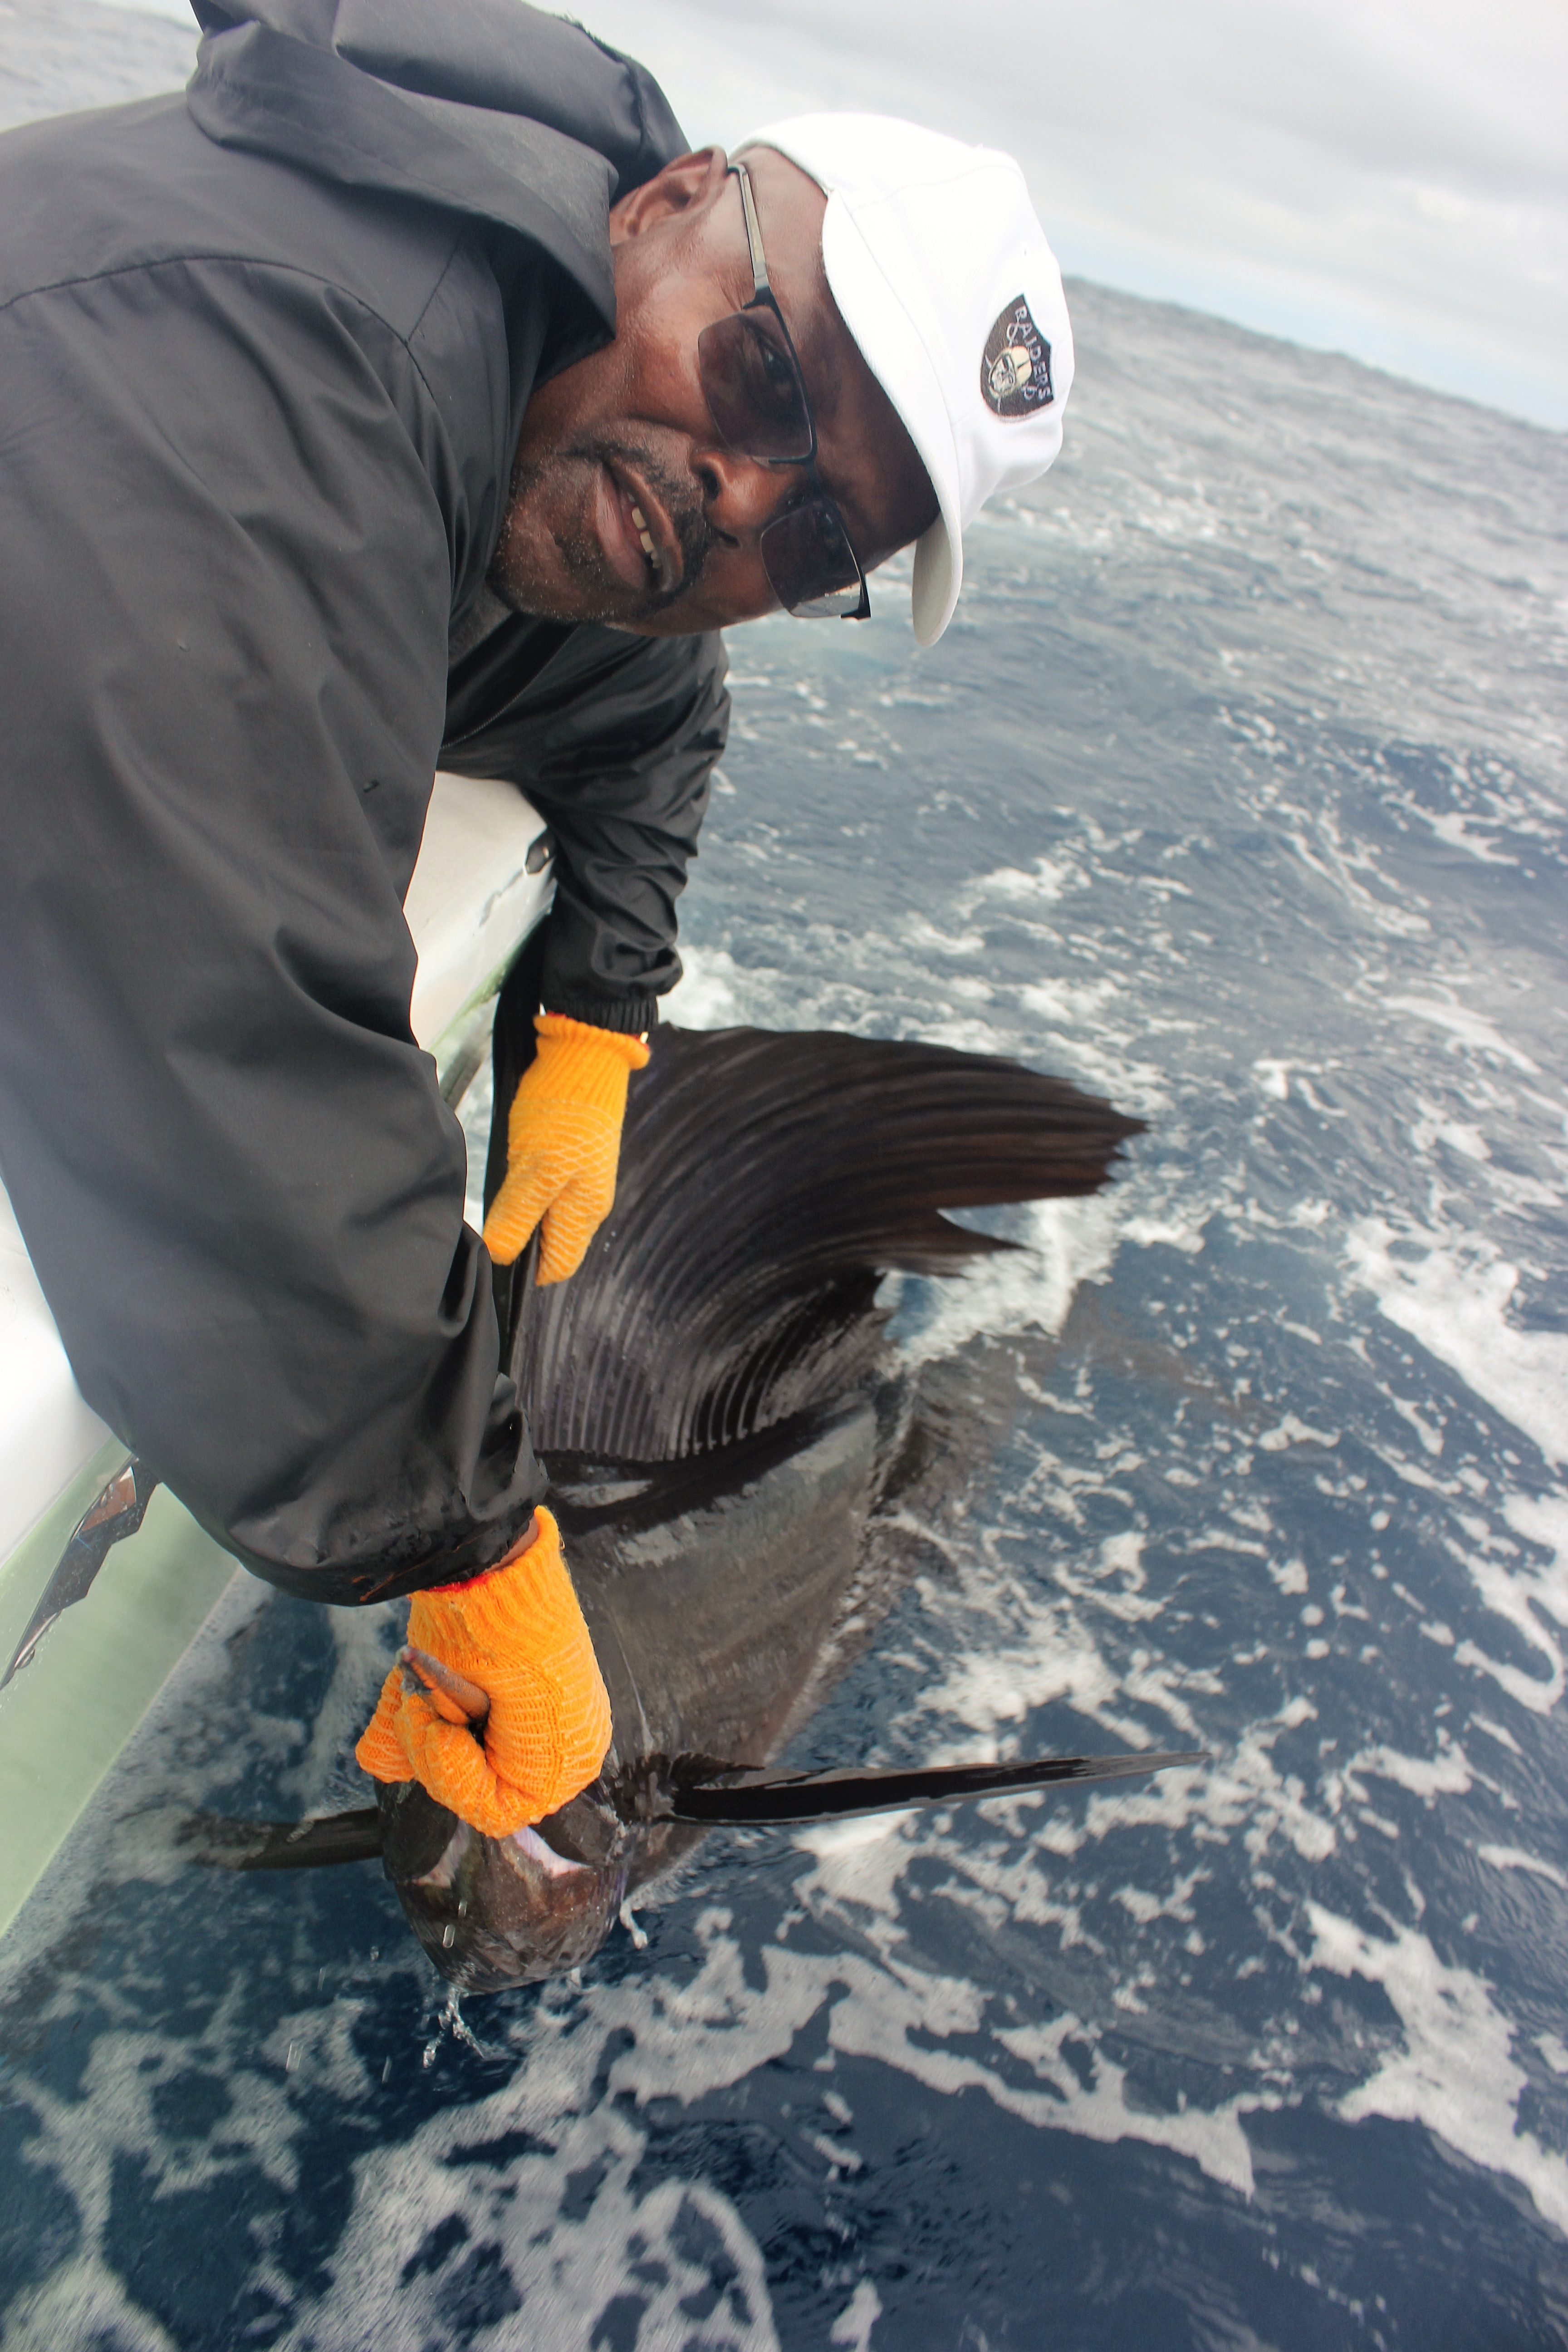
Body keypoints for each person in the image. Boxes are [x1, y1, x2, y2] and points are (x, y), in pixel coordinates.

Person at [0, 0, 1073, 1838]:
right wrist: (466, 1555)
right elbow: (203, 1011)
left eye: (813, 536)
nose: (734, 499)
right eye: (767, 382)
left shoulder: (537, 401)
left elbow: (647, 719)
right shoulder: (295, 343)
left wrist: (590, 1028)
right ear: (664, 205)